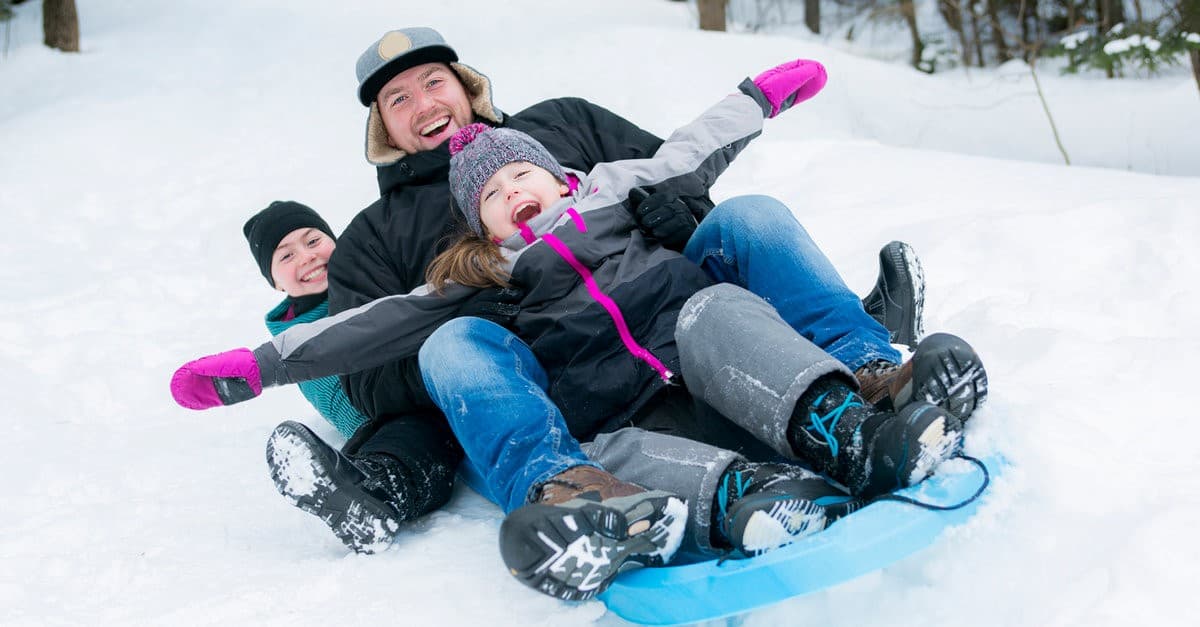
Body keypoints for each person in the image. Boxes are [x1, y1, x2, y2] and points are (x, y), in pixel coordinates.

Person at [171, 57, 985, 600]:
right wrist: (259, 364)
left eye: (430, 82)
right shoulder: (410, 249)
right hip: (594, 396)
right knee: (473, 355)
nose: (512, 191)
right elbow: (367, 338)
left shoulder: (587, 158)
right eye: (397, 99)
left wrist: (758, 100)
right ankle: (706, 501)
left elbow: (688, 153)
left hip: (711, 346)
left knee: (736, 251)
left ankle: (862, 393)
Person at [240, 201, 369, 440]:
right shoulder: (296, 344)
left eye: (313, 242)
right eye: (287, 256)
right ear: (275, 282)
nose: (307, 257)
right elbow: (350, 414)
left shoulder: (377, 274)